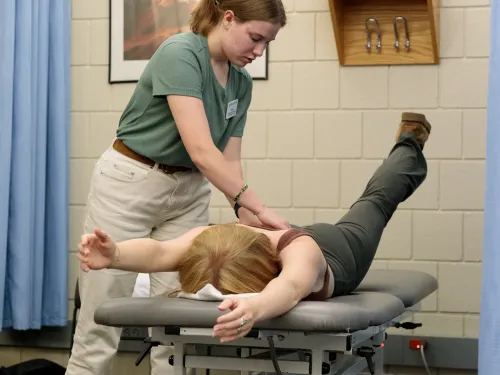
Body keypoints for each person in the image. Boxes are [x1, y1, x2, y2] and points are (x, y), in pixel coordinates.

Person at [66, 0, 290, 374]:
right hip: (131, 180)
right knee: (100, 318)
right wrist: (263, 208)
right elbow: (202, 150)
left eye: (267, 43)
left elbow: (228, 162)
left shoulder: (241, 83)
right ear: (228, 18)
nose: (258, 51)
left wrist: (251, 219)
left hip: (189, 192)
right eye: (255, 38)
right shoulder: (181, 53)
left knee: (176, 321)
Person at [77, 113, 432, 344]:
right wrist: (116, 254)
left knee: (374, 202)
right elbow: (162, 252)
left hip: (338, 254)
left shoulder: (300, 257)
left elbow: (291, 287)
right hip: (270, 244)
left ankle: (409, 144)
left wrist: (257, 307)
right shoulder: (212, 240)